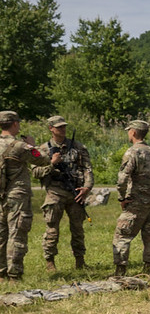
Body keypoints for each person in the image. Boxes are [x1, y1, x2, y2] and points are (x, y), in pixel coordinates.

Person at [33, 115, 94, 271]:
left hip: (75, 192)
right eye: (59, 127)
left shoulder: (78, 147)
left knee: (78, 228)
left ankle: (80, 261)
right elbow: (36, 172)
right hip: (55, 192)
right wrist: (52, 164)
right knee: (52, 228)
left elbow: (87, 169)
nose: (62, 129)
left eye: (64, 126)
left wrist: (87, 187)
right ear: (51, 129)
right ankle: (50, 261)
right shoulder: (43, 149)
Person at [113, 120, 150, 276]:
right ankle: (148, 269)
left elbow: (122, 179)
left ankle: (120, 271)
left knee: (122, 234)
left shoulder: (132, 152)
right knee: (149, 234)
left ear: (133, 132)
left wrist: (122, 198)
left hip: (135, 201)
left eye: (128, 131)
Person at [0, 111, 53, 282]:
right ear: (14, 124)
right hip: (17, 194)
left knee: (1, 234)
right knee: (17, 233)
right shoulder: (20, 146)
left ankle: (1, 274)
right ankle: (14, 274)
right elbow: (43, 159)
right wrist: (33, 145)